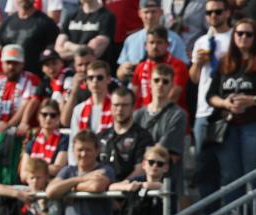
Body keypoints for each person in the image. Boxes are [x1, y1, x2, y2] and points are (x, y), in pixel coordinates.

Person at [206, 17, 256, 215]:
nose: (243, 37)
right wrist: (226, 104)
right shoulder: (225, 61)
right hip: (228, 125)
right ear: (233, 36)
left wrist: (251, 100)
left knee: (254, 175)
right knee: (230, 177)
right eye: (239, 33)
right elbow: (210, 96)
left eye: (248, 34)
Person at [0, 45, 39, 184]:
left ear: (22, 63)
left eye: (15, 63)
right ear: (2, 63)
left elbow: (26, 105)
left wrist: (9, 124)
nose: (11, 67)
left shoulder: (31, 80)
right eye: (8, 62)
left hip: (18, 132)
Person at [189, 0, 233, 200]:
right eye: (209, 13)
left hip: (226, 109)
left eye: (217, 12)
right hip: (203, 110)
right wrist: (197, 63)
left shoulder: (236, 37)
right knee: (204, 167)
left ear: (227, 13)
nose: (213, 16)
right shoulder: (201, 41)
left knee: (229, 169)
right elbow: (194, 78)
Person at [46, 129, 116, 215]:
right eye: (80, 150)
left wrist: (70, 188)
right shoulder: (68, 171)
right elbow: (50, 191)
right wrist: (81, 179)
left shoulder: (105, 169)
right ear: (73, 151)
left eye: (88, 150)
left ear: (97, 151)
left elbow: (96, 186)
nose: (83, 154)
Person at [134, 63, 187, 200]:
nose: (160, 84)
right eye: (156, 80)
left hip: (167, 181)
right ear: (150, 83)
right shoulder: (138, 115)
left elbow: (162, 152)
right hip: (141, 179)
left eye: (165, 81)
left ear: (171, 85)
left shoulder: (178, 115)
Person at [109, 143, 171, 215]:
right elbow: (112, 187)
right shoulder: (138, 180)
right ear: (143, 165)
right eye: (151, 162)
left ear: (165, 168)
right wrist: (127, 187)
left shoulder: (169, 182)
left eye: (159, 164)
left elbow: (161, 186)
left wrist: (142, 186)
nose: (155, 166)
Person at [117, 0, 188, 82]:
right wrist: (124, 70)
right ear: (140, 13)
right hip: (135, 88)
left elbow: (184, 69)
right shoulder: (131, 40)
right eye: (146, 12)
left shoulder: (174, 39)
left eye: (154, 12)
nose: (150, 16)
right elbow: (119, 74)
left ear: (161, 12)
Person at [98, 87, 153, 181]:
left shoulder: (143, 137)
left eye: (125, 105)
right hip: (101, 191)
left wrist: (118, 187)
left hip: (128, 192)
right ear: (110, 107)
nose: (119, 109)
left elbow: (141, 170)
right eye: (116, 105)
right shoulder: (101, 136)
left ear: (133, 107)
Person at [130, 26, 189, 111]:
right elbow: (134, 95)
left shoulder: (178, 65)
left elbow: (173, 96)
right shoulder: (140, 67)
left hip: (170, 115)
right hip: (144, 116)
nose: (155, 46)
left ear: (168, 45)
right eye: (151, 42)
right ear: (145, 45)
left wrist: (153, 114)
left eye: (159, 42)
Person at [0, 0, 60, 76]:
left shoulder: (47, 23)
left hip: (35, 78)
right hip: (11, 78)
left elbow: (53, 54)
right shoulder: (6, 23)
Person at [68, 60, 113, 156]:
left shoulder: (116, 106)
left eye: (99, 77)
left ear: (108, 79)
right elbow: (74, 142)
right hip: (83, 160)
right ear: (86, 81)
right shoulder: (79, 109)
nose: (95, 81)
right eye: (90, 78)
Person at [21, 99, 70, 178]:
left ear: (58, 117)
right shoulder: (32, 143)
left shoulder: (64, 139)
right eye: (44, 114)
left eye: (53, 115)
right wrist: (46, 169)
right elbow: (23, 175)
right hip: (31, 185)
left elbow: (58, 169)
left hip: (53, 184)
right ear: (38, 117)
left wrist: (32, 170)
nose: (48, 118)